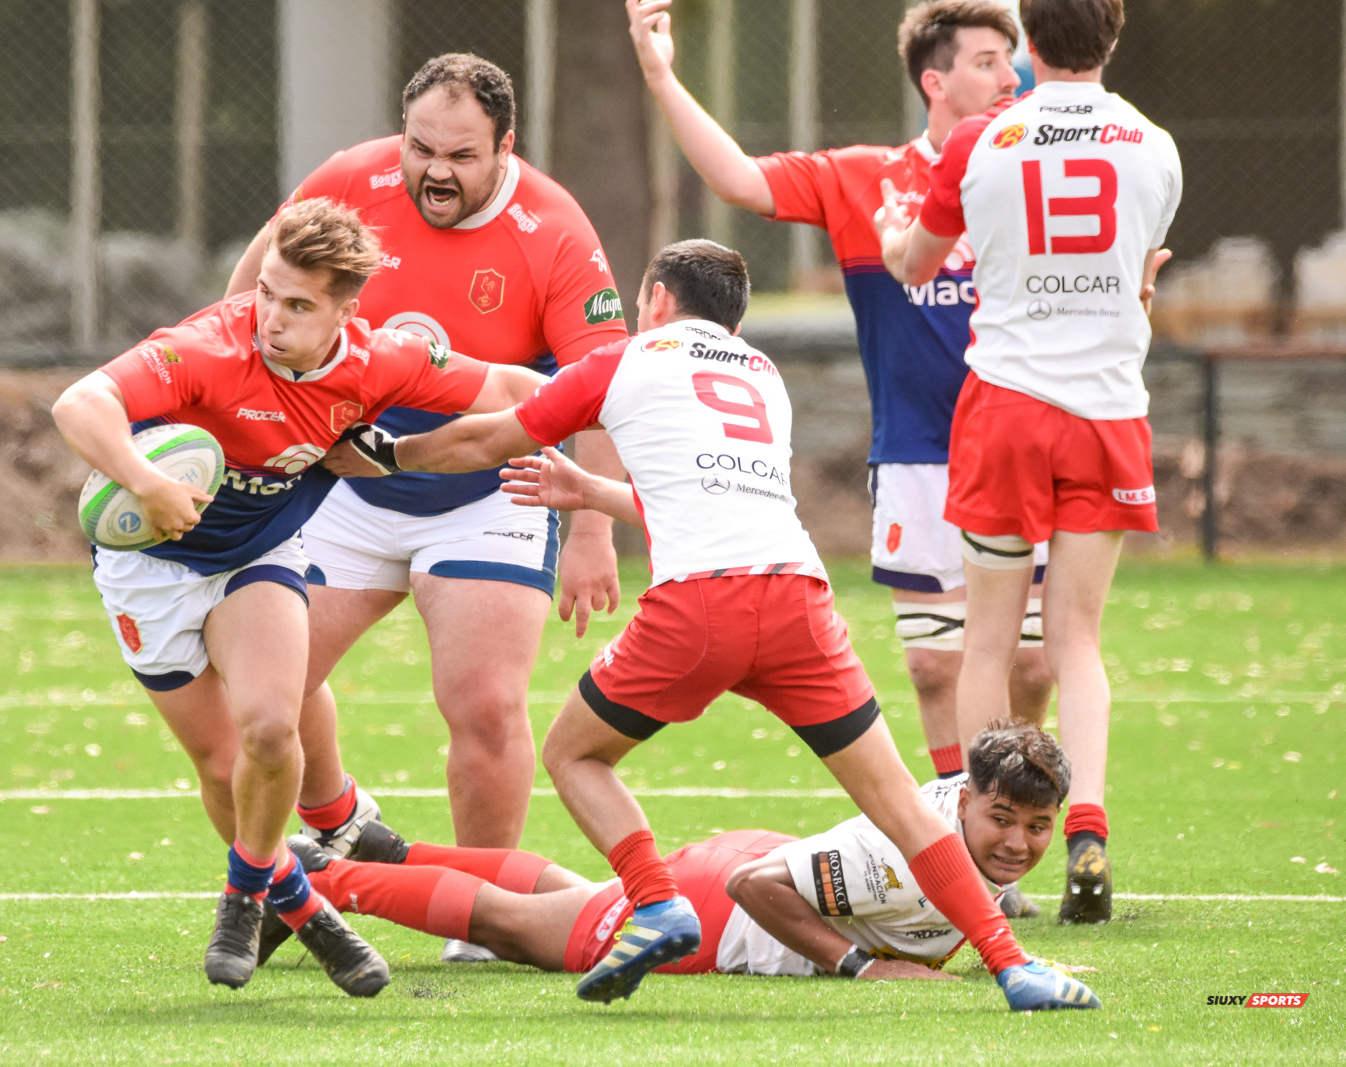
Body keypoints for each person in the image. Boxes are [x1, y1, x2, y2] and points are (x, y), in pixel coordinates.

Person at [326, 239, 1096, 1011]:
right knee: (898, 802)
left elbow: (486, 438)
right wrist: (591, 489)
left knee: (572, 755)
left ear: (657, 298)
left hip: (699, 606)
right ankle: (1014, 967)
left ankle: (658, 903)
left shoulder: (625, 358)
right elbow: (703, 501)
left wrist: (386, 453)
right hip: (799, 600)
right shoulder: (765, 377)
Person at [50, 198, 548, 995]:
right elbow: (80, 404)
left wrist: (611, 404)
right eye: (267, 294)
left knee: (274, 733)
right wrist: (146, 481)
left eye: (298, 305)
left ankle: (245, 893)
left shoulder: (379, 361)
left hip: (260, 557)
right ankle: (299, 902)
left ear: (346, 313)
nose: (269, 318)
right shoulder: (207, 347)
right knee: (222, 770)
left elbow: (509, 388)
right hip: (150, 570)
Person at [626, 2, 1057, 907]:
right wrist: (663, 74)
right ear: (935, 82)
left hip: (1021, 447)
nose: (1009, 78)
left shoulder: (1028, 175)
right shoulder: (868, 178)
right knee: (938, 664)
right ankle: (968, 852)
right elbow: (741, 179)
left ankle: (1014, 811)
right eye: (987, 62)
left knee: (1032, 667)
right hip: (915, 456)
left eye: (1012, 61)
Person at [224, 57, 630, 962]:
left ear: (505, 150)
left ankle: (480, 918)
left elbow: (603, 386)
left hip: (491, 489)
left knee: (484, 705)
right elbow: (245, 296)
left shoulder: (554, 229)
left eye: (461, 155)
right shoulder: (347, 181)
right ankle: (334, 824)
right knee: (261, 693)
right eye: (419, 148)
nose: (434, 171)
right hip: (343, 479)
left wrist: (593, 530)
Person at [878, 0, 1181, 924]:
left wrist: (895, 238)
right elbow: (1139, 276)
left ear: (1028, 47)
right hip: (1105, 414)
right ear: (1114, 35)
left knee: (988, 642)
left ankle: (986, 863)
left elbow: (919, 262)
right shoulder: (1154, 145)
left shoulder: (980, 137)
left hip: (1005, 410)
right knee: (1076, 639)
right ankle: (1083, 824)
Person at [287, 723, 1086, 1000]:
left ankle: (394, 850)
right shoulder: (906, 856)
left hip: (756, 858)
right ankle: (316, 877)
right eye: (1003, 820)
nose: (1018, 842)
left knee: (575, 893)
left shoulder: (960, 805)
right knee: (523, 929)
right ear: (970, 797)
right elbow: (755, 887)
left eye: (1039, 826)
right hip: (722, 904)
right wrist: (861, 969)